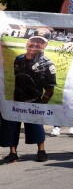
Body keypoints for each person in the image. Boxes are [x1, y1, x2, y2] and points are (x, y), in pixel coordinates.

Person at [0, 32, 54, 164]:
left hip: (34, 102)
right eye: (32, 41)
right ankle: (13, 153)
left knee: (36, 127)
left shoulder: (48, 64)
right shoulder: (18, 59)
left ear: (44, 46)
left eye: (39, 42)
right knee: (11, 125)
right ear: (27, 43)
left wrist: (40, 105)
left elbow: (50, 89)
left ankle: (41, 151)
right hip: (16, 100)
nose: (35, 44)